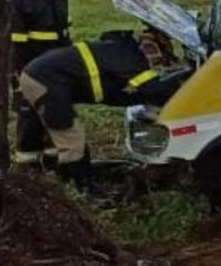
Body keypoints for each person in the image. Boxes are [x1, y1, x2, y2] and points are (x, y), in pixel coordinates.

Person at [17, 29, 180, 187]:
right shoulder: (130, 59)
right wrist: (181, 87)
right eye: (159, 60)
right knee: (71, 139)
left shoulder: (118, 50)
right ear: (151, 49)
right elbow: (154, 88)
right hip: (46, 82)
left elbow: (110, 94)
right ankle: (79, 188)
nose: (155, 65)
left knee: (59, 137)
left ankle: (62, 174)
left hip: (41, 76)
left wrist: (140, 98)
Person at [10, 0, 80, 165]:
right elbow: (16, 44)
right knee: (29, 114)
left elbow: (63, 36)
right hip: (28, 67)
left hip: (55, 68)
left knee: (54, 111)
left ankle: (52, 159)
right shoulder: (21, 0)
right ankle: (27, 162)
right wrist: (17, 75)